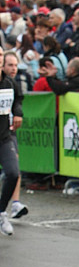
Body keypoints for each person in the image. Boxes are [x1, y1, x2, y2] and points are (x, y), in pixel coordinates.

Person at [0, 46, 23, 236]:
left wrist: (18, 113)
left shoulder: (8, 83)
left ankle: (1, 212)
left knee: (13, 173)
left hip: (4, 137)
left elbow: (17, 100)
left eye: (1, 54)